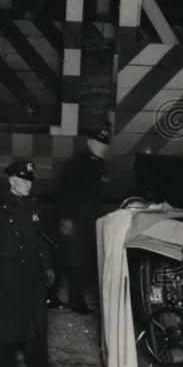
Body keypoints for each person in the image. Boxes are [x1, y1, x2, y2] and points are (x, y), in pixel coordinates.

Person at [0, 160, 55, 367]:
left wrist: (47, 266)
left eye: (30, 180)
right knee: (6, 333)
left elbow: (41, 239)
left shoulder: (34, 205)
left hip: (33, 278)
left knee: (38, 329)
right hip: (8, 279)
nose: (27, 184)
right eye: (22, 180)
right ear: (11, 180)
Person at [55, 129, 111, 314]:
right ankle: (76, 303)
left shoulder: (100, 164)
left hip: (88, 220)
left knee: (66, 260)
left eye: (105, 144)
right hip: (74, 220)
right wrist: (66, 218)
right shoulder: (77, 164)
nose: (102, 147)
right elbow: (65, 192)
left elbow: (94, 196)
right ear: (90, 143)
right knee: (77, 262)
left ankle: (51, 295)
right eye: (99, 143)